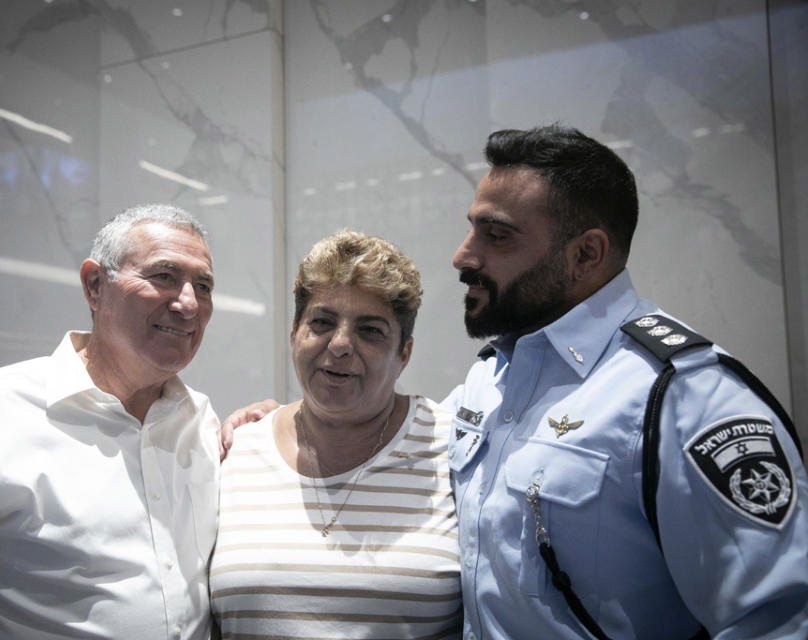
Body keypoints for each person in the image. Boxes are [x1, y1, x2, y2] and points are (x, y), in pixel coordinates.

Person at [221, 126, 808, 638]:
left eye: (496, 236)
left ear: (586, 255)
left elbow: (780, 617)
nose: (462, 255)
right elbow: (371, 416)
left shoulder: (682, 398)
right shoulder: (490, 382)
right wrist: (271, 421)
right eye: (471, 229)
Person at [0, 204, 222, 639]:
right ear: (94, 286)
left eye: (203, 286)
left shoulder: (202, 423)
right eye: (163, 276)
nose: (188, 303)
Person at [209, 230, 462, 639]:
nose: (341, 344)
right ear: (294, 334)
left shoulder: (454, 450)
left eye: (370, 330)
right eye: (322, 322)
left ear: (405, 353)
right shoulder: (235, 452)